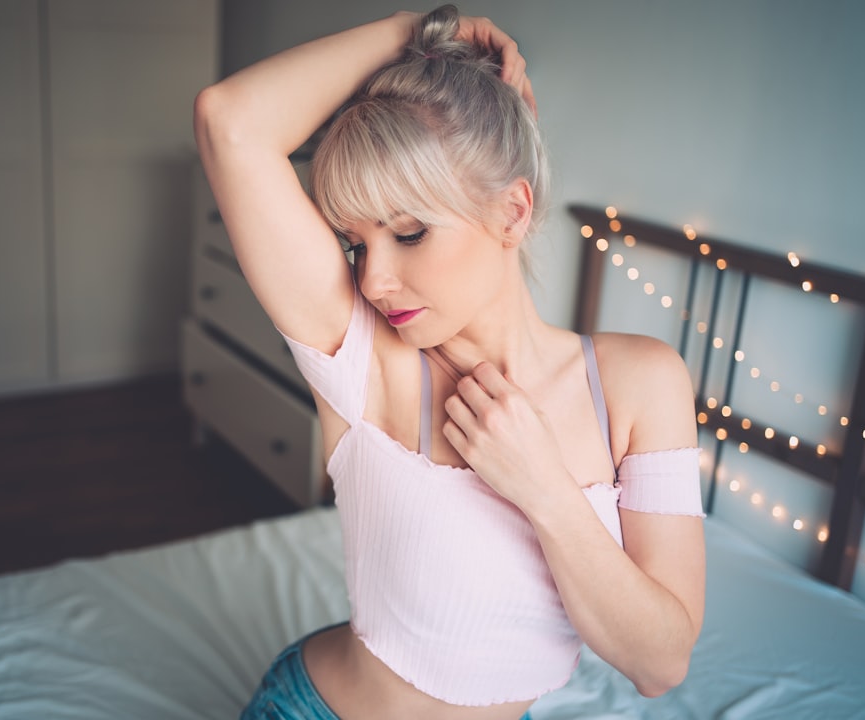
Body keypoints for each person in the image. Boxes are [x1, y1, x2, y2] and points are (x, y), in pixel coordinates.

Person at [194, 5, 706, 719]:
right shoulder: (368, 362)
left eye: (408, 233)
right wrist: (419, 28)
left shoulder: (640, 385)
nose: (373, 281)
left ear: (512, 212)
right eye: (356, 243)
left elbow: (661, 662)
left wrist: (542, 486)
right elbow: (230, 121)